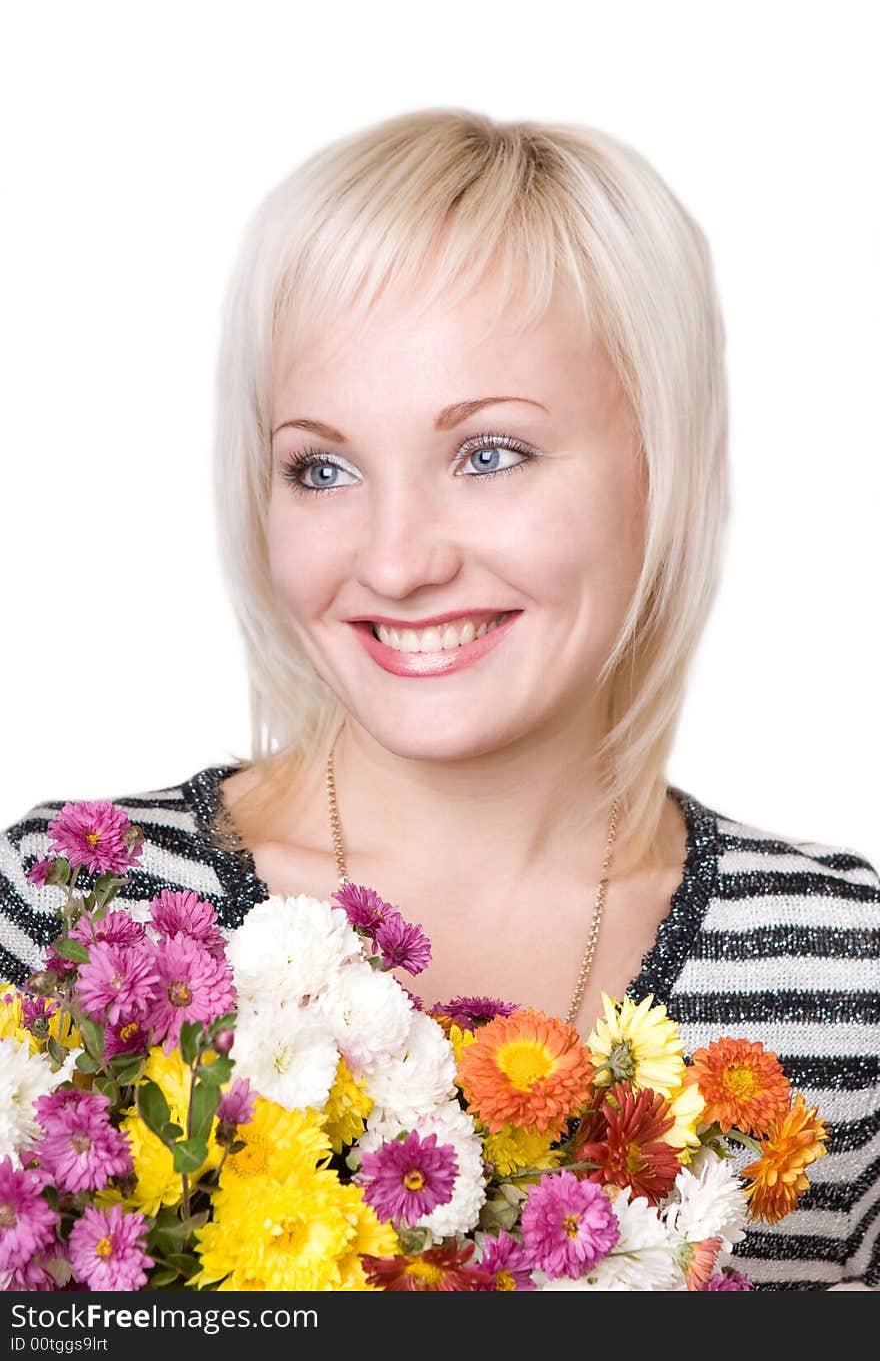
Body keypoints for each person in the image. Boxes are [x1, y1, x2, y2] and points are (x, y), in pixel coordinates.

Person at [1, 108, 877, 1290]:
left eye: (489, 453)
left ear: (658, 466)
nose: (399, 560)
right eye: (323, 467)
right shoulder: (63, 920)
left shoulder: (844, 979)